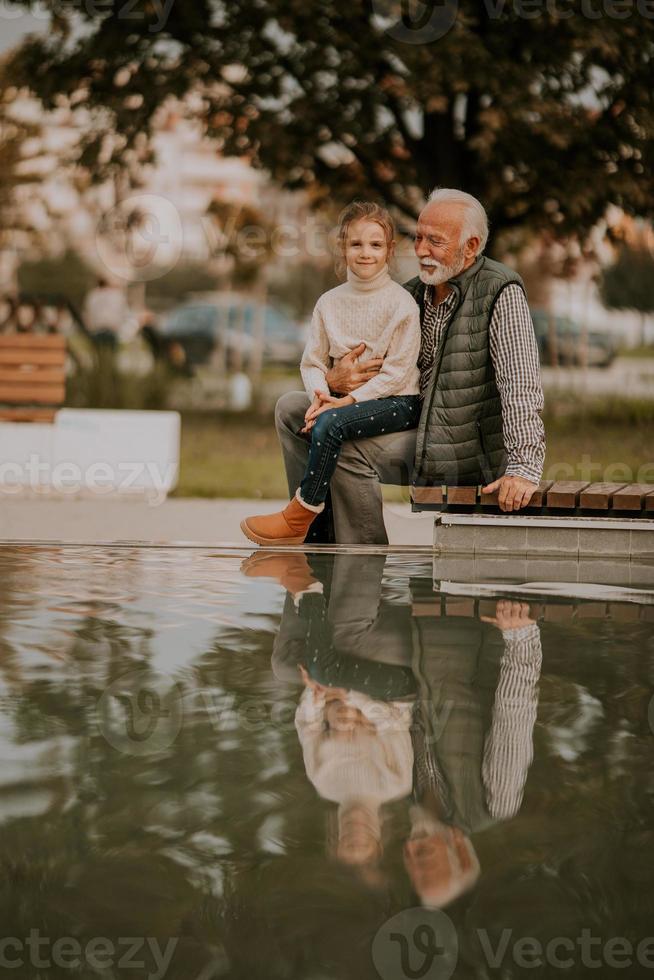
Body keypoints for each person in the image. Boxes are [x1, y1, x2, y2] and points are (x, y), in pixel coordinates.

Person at [275, 187, 547, 545]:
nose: (420, 250)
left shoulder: (500, 291)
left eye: (434, 241)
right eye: (418, 237)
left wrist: (523, 468)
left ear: (470, 246)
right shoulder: (412, 293)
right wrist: (332, 379)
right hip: (408, 419)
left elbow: (521, 384)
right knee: (293, 409)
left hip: (462, 444)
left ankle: (363, 571)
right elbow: (375, 371)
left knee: (345, 447)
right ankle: (315, 534)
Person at [240, 201, 422, 545]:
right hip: (343, 401)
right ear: (343, 248)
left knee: (330, 423)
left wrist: (344, 403)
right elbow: (312, 363)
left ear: (390, 250)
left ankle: (301, 514)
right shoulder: (329, 303)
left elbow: (397, 374)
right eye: (356, 244)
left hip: (398, 402)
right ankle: (317, 535)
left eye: (375, 245)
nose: (365, 253)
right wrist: (321, 395)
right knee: (297, 410)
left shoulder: (401, 305)